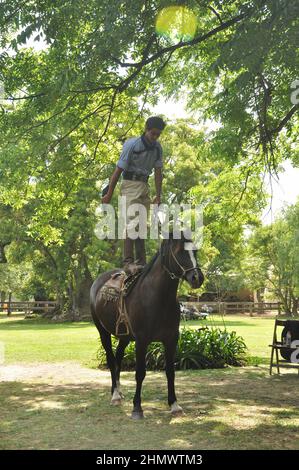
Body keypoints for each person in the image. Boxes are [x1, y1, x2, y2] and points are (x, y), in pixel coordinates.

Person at [101, 116, 166, 273]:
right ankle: (128, 262)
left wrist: (158, 195)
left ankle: (141, 262)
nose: (155, 137)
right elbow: (118, 170)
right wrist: (109, 193)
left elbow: (158, 172)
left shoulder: (157, 148)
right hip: (129, 184)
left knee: (142, 224)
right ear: (146, 129)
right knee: (132, 221)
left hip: (144, 185)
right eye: (153, 134)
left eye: (158, 134)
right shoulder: (132, 144)